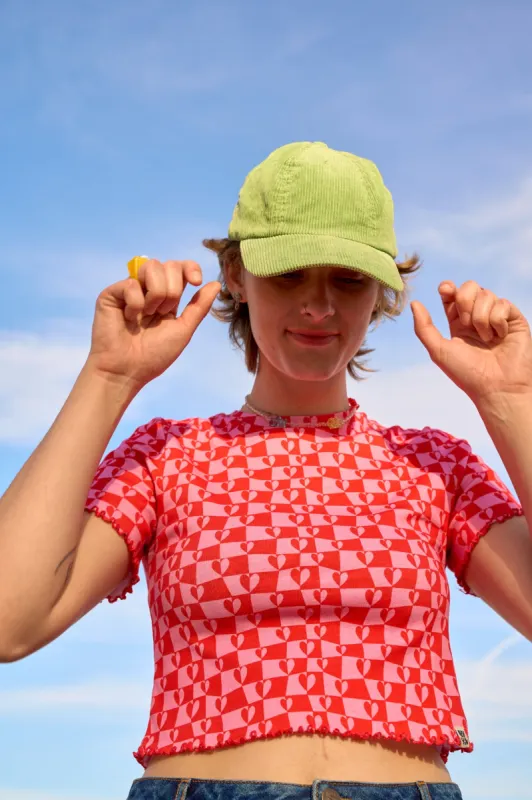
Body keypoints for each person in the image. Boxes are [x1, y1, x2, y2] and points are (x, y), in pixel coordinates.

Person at [0, 142, 523, 800]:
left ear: (382, 291)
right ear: (236, 275)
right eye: (289, 274)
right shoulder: (167, 455)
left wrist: (511, 400)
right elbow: (8, 621)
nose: (318, 305)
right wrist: (108, 376)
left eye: (348, 279)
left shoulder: (434, 463)